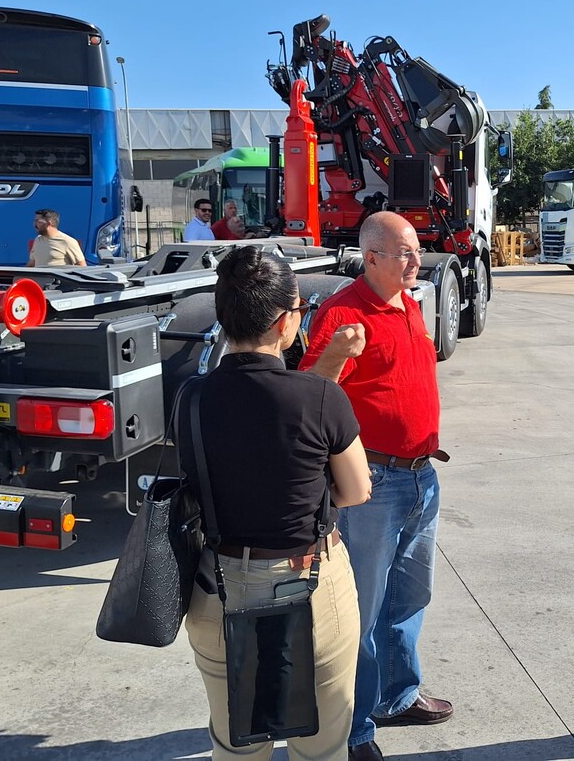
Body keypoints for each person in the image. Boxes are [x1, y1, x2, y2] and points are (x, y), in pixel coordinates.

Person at [182, 245, 372, 761]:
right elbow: (356, 490)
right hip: (309, 581)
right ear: (286, 322)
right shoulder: (320, 396)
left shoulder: (192, 397)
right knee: (322, 746)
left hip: (219, 583)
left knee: (236, 745)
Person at [299, 211, 452, 761]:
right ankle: (355, 728)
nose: (417, 261)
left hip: (421, 475)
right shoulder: (344, 313)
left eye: (416, 251)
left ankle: (397, 695)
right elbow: (310, 392)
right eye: (405, 253)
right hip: (374, 482)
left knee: (409, 596)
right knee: (361, 610)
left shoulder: (407, 302)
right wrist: (338, 352)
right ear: (371, 258)